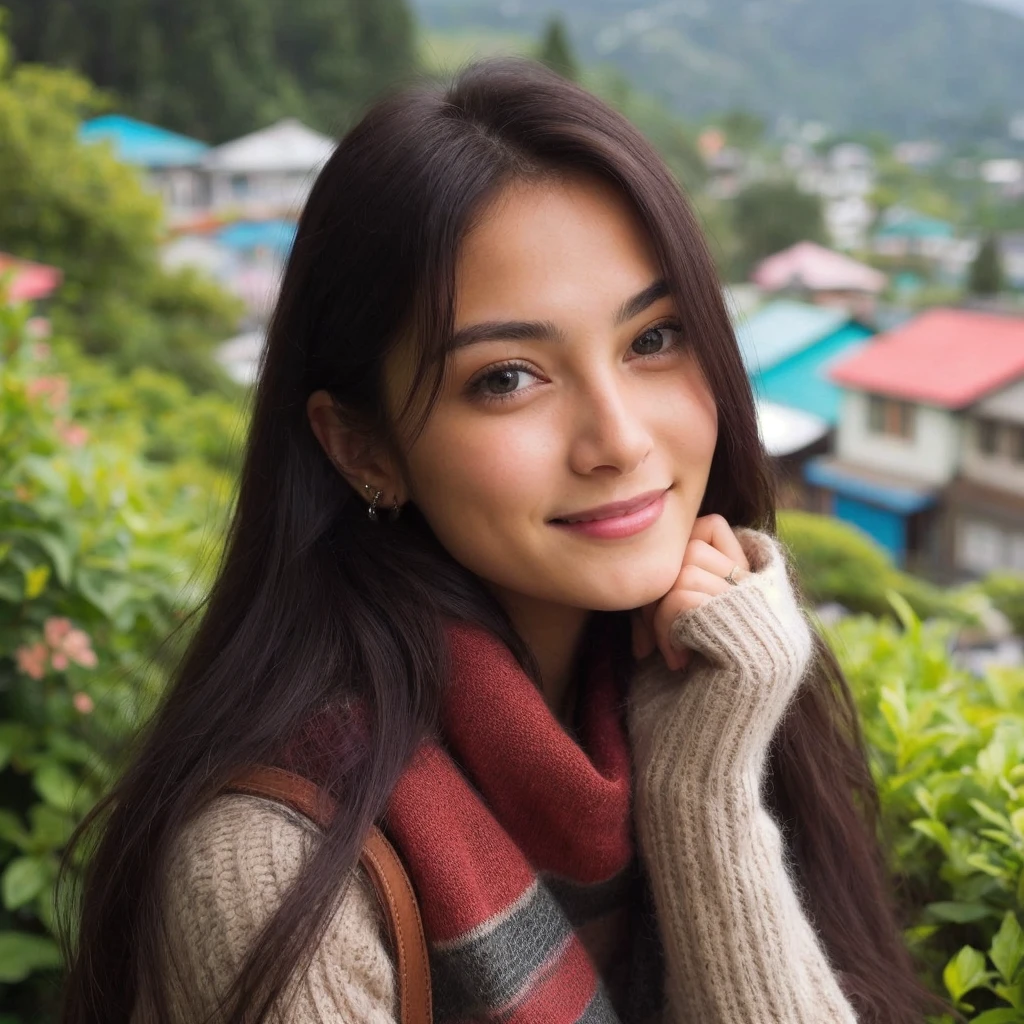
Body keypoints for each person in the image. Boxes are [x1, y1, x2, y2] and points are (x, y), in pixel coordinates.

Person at [59, 58, 943, 1024]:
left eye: (653, 339)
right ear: (362, 447)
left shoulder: (693, 698)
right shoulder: (276, 871)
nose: (619, 440)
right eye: (509, 377)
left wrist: (705, 789)